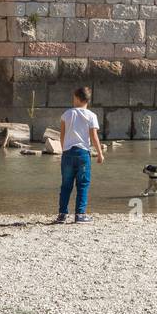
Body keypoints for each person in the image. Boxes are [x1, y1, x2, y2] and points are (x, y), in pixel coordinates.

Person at [55, 86, 104, 224]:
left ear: (76, 98)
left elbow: (62, 135)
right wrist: (100, 153)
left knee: (66, 185)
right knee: (83, 184)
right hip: (83, 154)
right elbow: (94, 137)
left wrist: (64, 150)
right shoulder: (91, 116)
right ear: (87, 100)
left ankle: (62, 215)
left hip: (68, 153)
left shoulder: (66, 114)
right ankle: (80, 214)